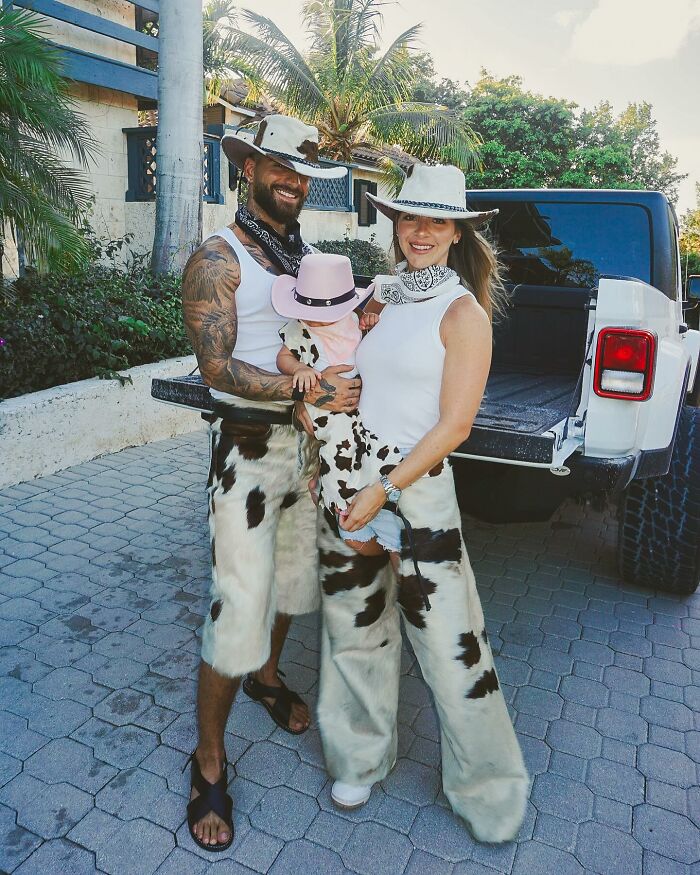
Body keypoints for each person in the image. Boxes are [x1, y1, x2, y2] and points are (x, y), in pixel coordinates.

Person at [316, 163, 530, 843]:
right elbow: (330, 339)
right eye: (411, 218)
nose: (421, 231)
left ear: (457, 231)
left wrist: (389, 487)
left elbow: (455, 425)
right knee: (355, 626)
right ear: (396, 223)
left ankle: (489, 791)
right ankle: (358, 757)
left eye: (437, 220)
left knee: (451, 647)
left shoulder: (463, 312)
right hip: (354, 477)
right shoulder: (386, 294)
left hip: (415, 487)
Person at [180, 114, 361, 851]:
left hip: (309, 454)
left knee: (291, 586)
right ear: (246, 168)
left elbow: (325, 336)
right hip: (249, 456)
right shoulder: (218, 259)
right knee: (237, 607)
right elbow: (216, 366)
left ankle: (266, 676)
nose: (293, 179)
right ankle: (208, 758)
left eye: (302, 171)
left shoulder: (307, 257)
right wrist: (298, 398)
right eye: (279, 166)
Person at [272, 252, 405, 556]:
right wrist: (299, 369)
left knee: (369, 449)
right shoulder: (299, 328)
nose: (315, 317)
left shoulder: (354, 321)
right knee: (338, 449)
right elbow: (283, 357)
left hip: (361, 403)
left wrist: (371, 323)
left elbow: (374, 348)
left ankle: (371, 497)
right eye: (308, 308)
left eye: (321, 311)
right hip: (324, 405)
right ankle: (337, 496)